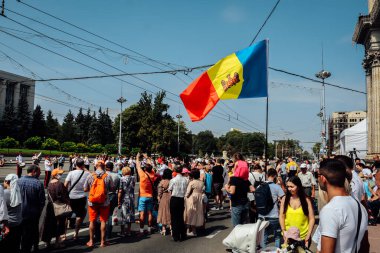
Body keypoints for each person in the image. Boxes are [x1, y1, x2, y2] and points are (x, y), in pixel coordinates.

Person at [318, 159, 369, 253]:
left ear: (323, 178)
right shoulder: (359, 206)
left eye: (317, 175)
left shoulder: (331, 209)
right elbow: (365, 246)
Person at [83, 160, 113, 247]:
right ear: (104, 166)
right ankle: (103, 242)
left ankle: (91, 241)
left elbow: (85, 188)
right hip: (104, 201)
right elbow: (111, 188)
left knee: (92, 221)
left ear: (96, 166)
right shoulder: (107, 176)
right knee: (103, 221)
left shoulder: (90, 175)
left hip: (92, 202)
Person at [279, 176, 315, 248]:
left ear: (298, 187)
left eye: (292, 187)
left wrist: (308, 235)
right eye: (288, 186)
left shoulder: (306, 200)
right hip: (287, 237)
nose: (289, 189)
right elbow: (281, 216)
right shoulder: (284, 199)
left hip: (303, 238)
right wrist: (284, 231)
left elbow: (311, 219)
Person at [18, 165, 45, 253]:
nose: (40, 173)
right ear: (34, 172)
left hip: (20, 211)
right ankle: (34, 246)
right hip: (33, 212)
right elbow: (42, 202)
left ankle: (23, 247)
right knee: (33, 231)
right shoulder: (38, 183)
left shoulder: (19, 181)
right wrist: (39, 212)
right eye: (39, 172)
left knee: (22, 231)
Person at [41, 169, 70, 248]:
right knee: (59, 224)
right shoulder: (60, 184)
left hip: (50, 206)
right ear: (55, 175)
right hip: (59, 206)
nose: (60, 175)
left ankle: (47, 242)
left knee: (49, 223)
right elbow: (63, 196)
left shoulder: (49, 184)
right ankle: (57, 242)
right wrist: (68, 202)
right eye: (59, 174)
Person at [64, 158, 90, 240]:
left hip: (71, 196)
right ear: (83, 165)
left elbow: (65, 185)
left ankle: (64, 234)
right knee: (79, 215)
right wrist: (84, 168)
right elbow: (91, 175)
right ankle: (76, 233)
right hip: (81, 196)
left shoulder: (71, 173)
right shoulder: (86, 173)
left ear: (75, 165)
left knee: (67, 215)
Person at [258, 168, 285, 249]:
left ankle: (263, 250)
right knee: (277, 236)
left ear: (267, 175)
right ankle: (277, 250)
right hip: (274, 216)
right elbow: (284, 198)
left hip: (261, 215)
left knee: (264, 236)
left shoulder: (260, 186)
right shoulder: (276, 187)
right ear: (275, 176)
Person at [136, 153, 156, 235]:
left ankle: (141, 230)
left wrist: (137, 157)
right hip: (150, 196)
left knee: (142, 213)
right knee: (150, 213)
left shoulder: (142, 174)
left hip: (142, 196)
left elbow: (137, 165)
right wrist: (147, 157)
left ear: (144, 169)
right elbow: (151, 165)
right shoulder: (152, 174)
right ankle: (149, 228)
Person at [2, 174, 22, 252]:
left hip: (7, 225)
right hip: (18, 222)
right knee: (16, 245)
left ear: (7, 181)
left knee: (6, 246)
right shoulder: (19, 192)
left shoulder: (5, 193)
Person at [169, 165, 188, 241]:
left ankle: (175, 236)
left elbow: (170, 189)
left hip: (174, 198)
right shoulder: (185, 180)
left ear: (175, 171)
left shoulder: (173, 180)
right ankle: (182, 234)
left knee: (174, 218)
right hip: (181, 199)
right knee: (180, 217)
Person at [185, 170, 205, 237]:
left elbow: (187, 192)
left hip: (192, 197)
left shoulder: (192, 182)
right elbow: (203, 190)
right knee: (197, 213)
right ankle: (194, 229)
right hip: (199, 197)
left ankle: (192, 231)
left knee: (191, 213)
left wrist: (185, 197)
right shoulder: (201, 182)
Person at [118, 166, 136, 236]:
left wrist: (118, 201)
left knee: (123, 215)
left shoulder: (122, 179)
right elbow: (133, 186)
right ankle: (128, 231)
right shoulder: (133, 178)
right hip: (131, 198)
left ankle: (122, 231)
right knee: (130, 214)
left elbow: (120, 190)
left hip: (124, 198)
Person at [105, 161, 120, 238]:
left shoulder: (103, 175)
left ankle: (100, 233)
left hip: (104, 195)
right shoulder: (117, 176)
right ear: (112, 167)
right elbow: (119, 188)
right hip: (113, 195)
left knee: (101, 214)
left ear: (106, 167)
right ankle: (108, 234)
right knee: (111, 214)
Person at [157, 168, 172, 236]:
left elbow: (159, 192)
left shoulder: (162, 182)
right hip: (171, 197)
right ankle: (172, 228)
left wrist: (159, 198)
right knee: (171, 212)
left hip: (164, 197)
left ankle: (164, 229)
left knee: (163, 212)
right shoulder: (172, 181)